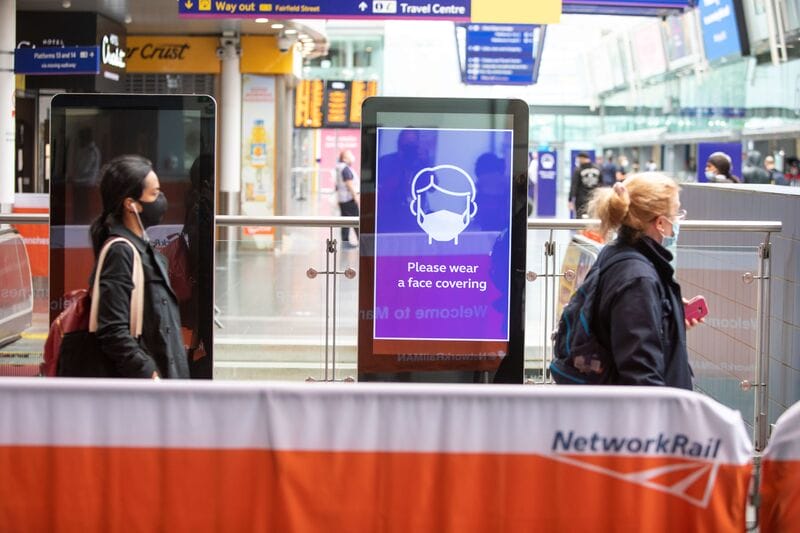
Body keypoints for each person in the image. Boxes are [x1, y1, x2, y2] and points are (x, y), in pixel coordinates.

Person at [582, 173, 695, 389]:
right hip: (649, 416)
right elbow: (640, 374)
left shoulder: (616, 254)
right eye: (677, 212)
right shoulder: (637, 278)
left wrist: (669, 319)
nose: (679, 220)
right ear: (661, 223)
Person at [89, 155, 189, 379]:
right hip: (145, 390)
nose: (161, 199)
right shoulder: (121, 252)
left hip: (163, 381)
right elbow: (112, 329)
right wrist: (148, 372)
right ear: (131, 204)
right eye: (154, 194)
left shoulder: (142, 247)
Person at [335, 149, 359, 247]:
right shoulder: (345, 169)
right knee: (355, 220)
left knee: (345, 221)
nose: (352, 157)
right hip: (348, 199)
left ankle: (345, 242)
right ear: (344, 159)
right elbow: (349, 184)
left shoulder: (339, 168)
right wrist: (356, 197)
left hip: (342, 199)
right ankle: (361, 240)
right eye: (350, 155)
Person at [568, 152, 601, 218]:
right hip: (594, 198)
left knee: (580, 219)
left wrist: (570, 199)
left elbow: (574, 185)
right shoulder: (597, 169)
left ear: (582, 158)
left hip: (581, 199)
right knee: (593, 218)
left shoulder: (578, 170)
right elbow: (601, 185)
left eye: (578, 160)